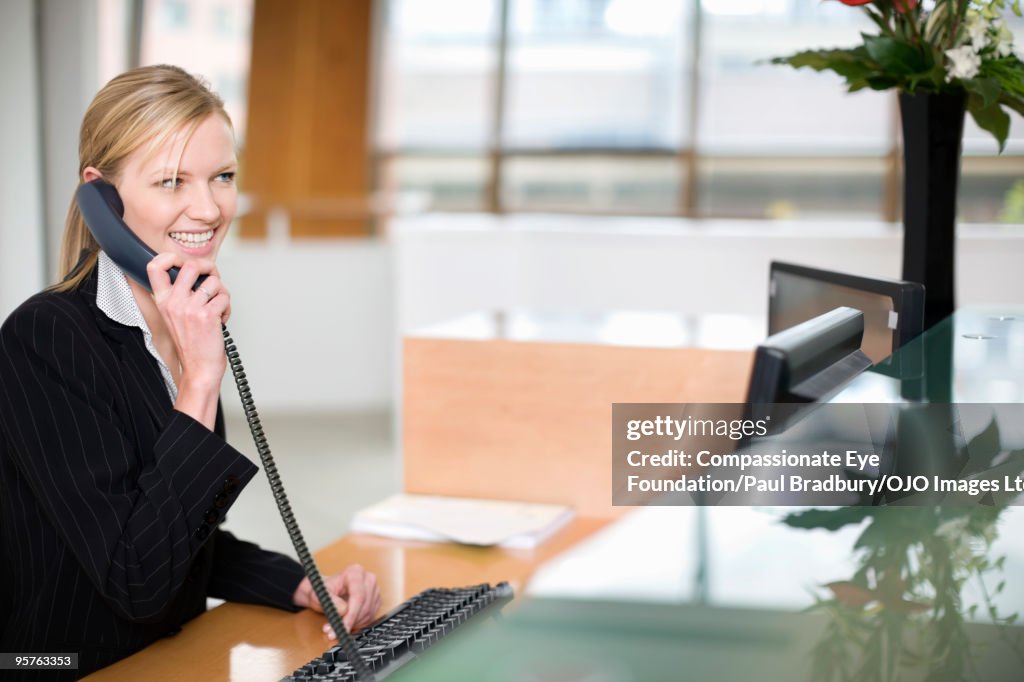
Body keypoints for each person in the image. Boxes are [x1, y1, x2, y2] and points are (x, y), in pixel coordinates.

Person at [0, 65, 381, 679]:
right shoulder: (47, 339)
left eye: (222, 177)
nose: (207, 208)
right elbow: (136, 577)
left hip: (161, 657)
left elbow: (180, 535)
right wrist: (201, 380)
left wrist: (299, 584)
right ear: (100, 198)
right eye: (172, 181)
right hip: (51, 662)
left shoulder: (181, 325)